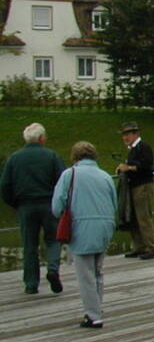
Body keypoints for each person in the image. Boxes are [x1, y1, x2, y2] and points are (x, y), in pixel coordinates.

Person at [51, 141, 117, 329]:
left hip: (82, 227)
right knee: (98, 271)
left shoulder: (69, 175)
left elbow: (57, 206)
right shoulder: (105, 176)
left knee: (85, 274)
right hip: (105, 226)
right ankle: (97, 307)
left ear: (75, 156)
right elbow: (114, 204)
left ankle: (93, 315)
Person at [1, 123, 65, 294]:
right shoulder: (52, 156)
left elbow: (5, 185)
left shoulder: (14, 158)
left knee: (29, 244)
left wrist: (15, 203)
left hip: (25, 206)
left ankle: (31, 284)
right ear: (42, 138)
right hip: (49, 204)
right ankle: (52, 269)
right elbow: (63, 182)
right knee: (53, 239)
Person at [116, 121, 154, 259]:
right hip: (134, 186)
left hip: (143, 186)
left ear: (136, 134)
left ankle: (151, 247)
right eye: (124, 135)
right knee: (134, 217)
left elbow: (147, 165)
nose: (125, 137)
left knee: (143, 216)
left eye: (128, 134)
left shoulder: (143, 147)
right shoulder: (133, 149)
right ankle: (140, 246)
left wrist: (128, 168)